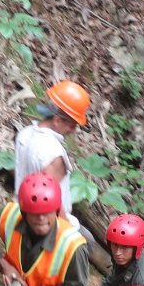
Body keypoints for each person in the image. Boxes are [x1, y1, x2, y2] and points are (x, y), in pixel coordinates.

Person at [15, 81, 90, 223]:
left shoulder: (25, 134)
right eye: (72, 125)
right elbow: (51, 200)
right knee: (88, 240)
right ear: (57, 120)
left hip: (20, 211)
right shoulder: (53, 153)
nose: (73, 131)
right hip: (46, 222)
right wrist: (66, 232)